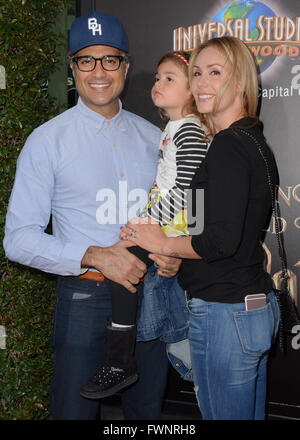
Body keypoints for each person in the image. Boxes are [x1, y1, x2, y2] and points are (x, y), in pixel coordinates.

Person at [3, 11, 182, 420]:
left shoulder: (156, 138)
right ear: (72, 66)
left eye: (110, 59)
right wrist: (97, 255)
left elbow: (179, 214)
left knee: (147, 414)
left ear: (126, 65)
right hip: (84, 299)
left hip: (150, 297)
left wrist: (174, 253)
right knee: (74, 412)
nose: (98, 71)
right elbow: (18, 239)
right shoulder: (46, 141)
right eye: (86, 60)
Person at [121, 36, 280, 420]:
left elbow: (218, 241)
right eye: (195, 73)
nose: (201, 83)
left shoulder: (227, 145)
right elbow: (208, 228)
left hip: (224, 314)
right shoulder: (252, 140)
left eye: (214, 73)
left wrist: (163, 242)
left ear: (240, 81)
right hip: (249, 306)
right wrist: (174, 252)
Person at [79, 50, 209, 400]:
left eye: (170, 79)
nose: (158, 84)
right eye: (157, 77)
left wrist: (154, 225)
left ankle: (122, 361)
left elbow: (188, 189)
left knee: (122, 264)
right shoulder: (173, 129)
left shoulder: (190, 132)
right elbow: (166, 185)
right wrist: (142, 219)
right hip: (169, 222)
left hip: (178, 225)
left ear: (193, 90)